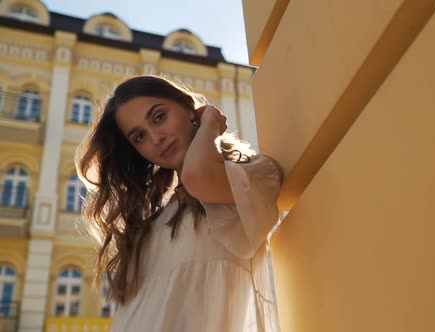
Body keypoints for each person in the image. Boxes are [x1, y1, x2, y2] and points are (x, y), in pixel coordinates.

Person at [76, 75, 282, 331]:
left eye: (159, 117)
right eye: (139, 136)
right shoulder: (154, 221)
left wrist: (210, 123)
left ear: (188, 107)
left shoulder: (252, 175)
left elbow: (197, 177)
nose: (156, 138)